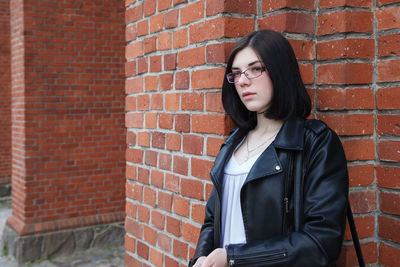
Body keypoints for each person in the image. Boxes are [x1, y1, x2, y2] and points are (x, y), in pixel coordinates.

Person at [188, 30, 349, 267]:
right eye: (236, 74)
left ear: (280, 71)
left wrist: (234, 258)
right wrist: (200, 259)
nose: (242, 80)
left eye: (255, 69)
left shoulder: (314, 142)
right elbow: (213, 220)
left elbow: (321, 241)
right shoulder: (233, 142)